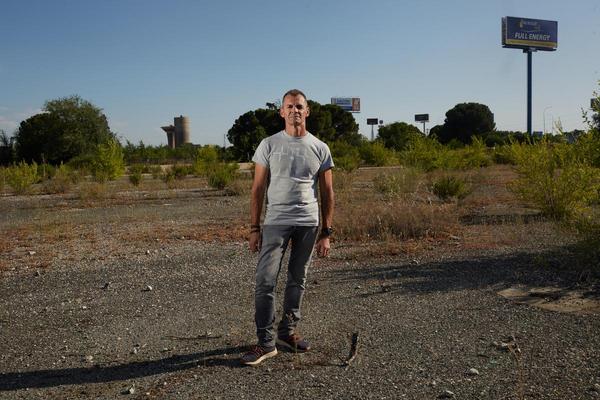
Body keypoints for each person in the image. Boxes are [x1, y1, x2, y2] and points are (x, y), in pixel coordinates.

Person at [241, 89, 335, 366]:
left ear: (307, 111)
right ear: (282, 112)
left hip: (308, 223)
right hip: (275, 222)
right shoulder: (269, 144)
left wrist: (327, 232)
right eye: (290, 106)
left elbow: (327, 192)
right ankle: (265, 342)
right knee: (265, 281)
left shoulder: (320, 147)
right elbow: (258, 188)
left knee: (297, 279)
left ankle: (287, 332)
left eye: (300, 106)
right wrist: (254, 228)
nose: (295, 111)